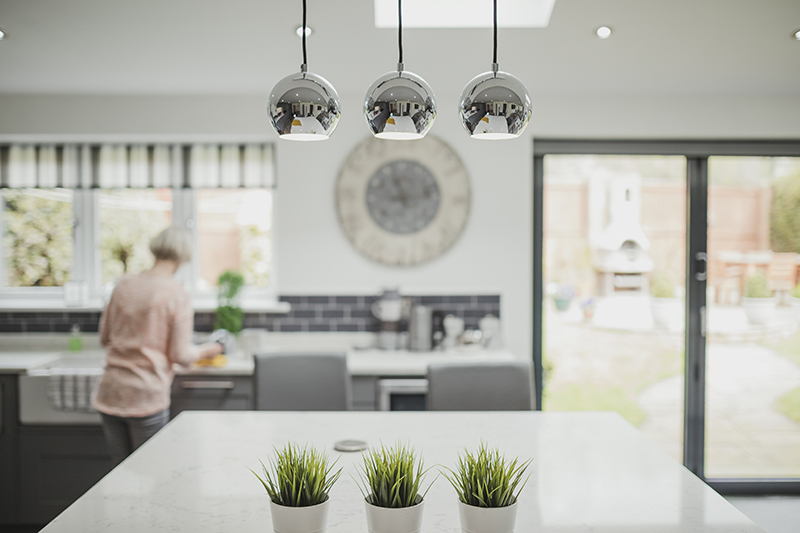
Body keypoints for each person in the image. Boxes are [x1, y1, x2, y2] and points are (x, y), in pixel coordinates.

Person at [92, 226, 223, 464]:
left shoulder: (123, 284)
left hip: (110, 392)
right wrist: (209, 349)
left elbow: (104, 338)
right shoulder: (176, 293)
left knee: (118, 473)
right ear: (183, 256)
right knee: (151, 470)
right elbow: (181, 355)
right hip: (145, 395)